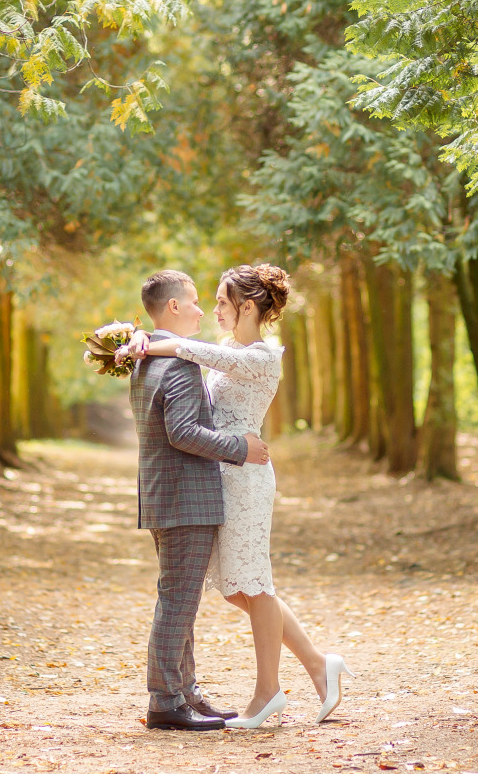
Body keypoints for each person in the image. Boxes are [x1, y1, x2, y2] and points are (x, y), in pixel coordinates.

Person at [122, 265, 351, 729]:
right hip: (219, 478)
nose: (215, 309)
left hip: (245, 477)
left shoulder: (263, 357)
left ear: (247, 306)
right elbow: (190, 369)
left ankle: (268, 692)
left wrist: (144, 341)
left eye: (223, 302)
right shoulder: (225, 350)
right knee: (239, 590)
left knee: (255, 584)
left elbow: (186, 349)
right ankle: (317, 663)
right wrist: (141, 341)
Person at [129, 269, 272, 731]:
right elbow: (183, 432)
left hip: (162, 495)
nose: (201, 311)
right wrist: (241, 450)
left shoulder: (144, 356)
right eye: (193, 302)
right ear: (173, 307)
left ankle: (185, 692)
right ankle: (165, 701)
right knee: (177, 603)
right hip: (186, 498)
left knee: (179, 599)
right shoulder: (180, 364)